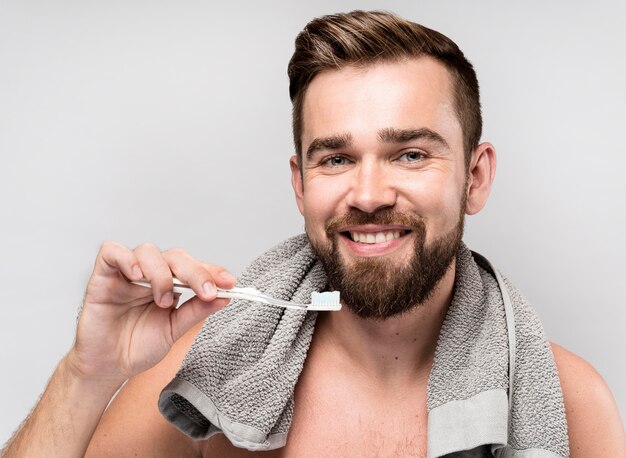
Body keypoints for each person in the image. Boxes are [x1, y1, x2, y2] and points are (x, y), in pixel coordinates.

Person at [2, 10, 624, 458]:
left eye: (410, 154)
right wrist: (89, 373)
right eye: (336, 159)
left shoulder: (570, 405)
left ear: (475, 177)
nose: (370, 194)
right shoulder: (209, 384)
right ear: (301, 185)